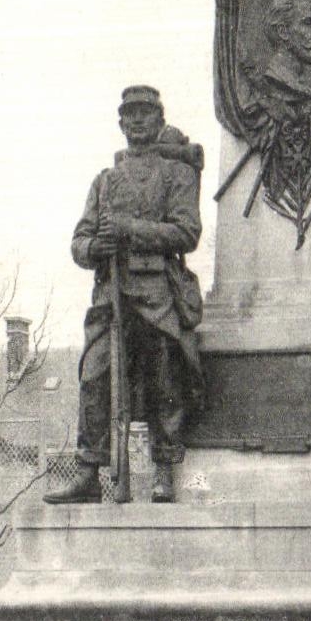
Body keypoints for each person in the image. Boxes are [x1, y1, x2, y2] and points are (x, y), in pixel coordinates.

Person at [44, 86, 203, 505]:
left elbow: (187, 233)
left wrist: (132, 230)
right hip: (110, 296)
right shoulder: (105, 181)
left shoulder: (177, 175)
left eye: (145, 113)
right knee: (94, 375)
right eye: (129, 114)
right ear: (120, 123)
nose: (137, 121)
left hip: (157, 293)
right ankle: (89, 471)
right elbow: (80, 240)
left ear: (159, 119)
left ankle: (164, 468)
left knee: (164, 375)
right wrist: (96, 248)